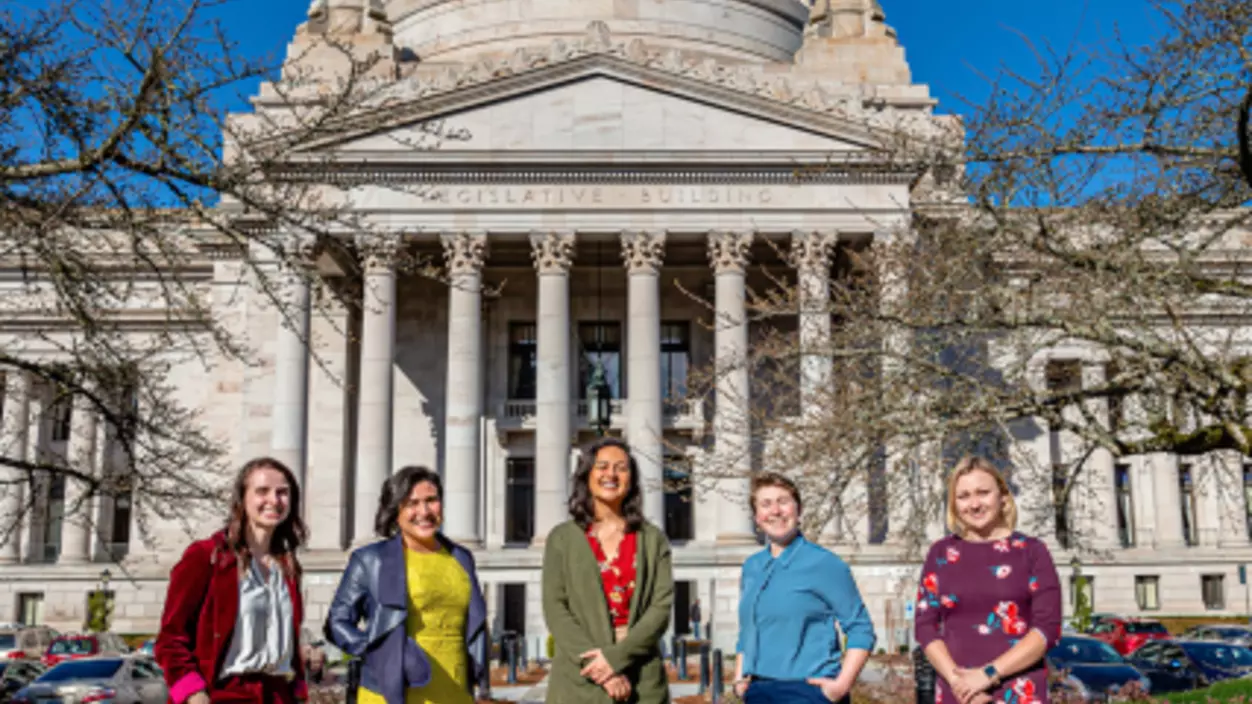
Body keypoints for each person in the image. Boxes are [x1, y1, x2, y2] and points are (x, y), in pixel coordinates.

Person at [325, 465, 490, 704]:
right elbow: (337, 622)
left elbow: (475, 626)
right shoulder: (370, 560)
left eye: (431, 500)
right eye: (412, 503)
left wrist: (483, 686)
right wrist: (380, 652)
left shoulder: (461, 558)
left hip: (454, 692)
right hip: (389, 692)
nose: (424, 511)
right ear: (395, 511)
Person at [154, 457, 310, 704]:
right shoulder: (207, 557)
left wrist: (299, 684)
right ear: (242, 498)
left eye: (282, 493)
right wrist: (193, 693)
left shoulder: (288, 567)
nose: (274, 500)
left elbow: (287, 640)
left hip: (278, 694)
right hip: (225, 693)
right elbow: (170, 639)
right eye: (262, 491)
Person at [915, 455, 1062, 704]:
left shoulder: (1031, 551)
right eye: (964, 496)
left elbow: (1047, 629)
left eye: (983, 493)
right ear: (953, 504)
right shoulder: (940, 554)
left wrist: (988, 674)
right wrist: (961, 685)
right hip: (958, 693)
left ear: (1003, 497)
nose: (974, 504)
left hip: (1018, 692)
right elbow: (925, 627)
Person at [542, 437, 674, 703]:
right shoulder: (562, 538)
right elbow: (555, 608)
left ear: (631, 479)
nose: (611, 474)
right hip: (578, 678)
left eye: (621, 468)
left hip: (641, 676)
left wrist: (616, 658)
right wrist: (603, 670)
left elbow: (661, 608)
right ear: (586, 475)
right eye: (602, 466)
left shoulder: (651, 538)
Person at [732, 472, 876, 704]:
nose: (775, 511)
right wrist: (739, 680)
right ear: (757, 517)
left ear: (798, 510)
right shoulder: (752, 567)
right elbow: (747, 631)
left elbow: (861, 629)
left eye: (783, 501)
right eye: (765, 504)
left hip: (808, 691)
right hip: (758, 691)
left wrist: (839, 687)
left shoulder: (825, 564)